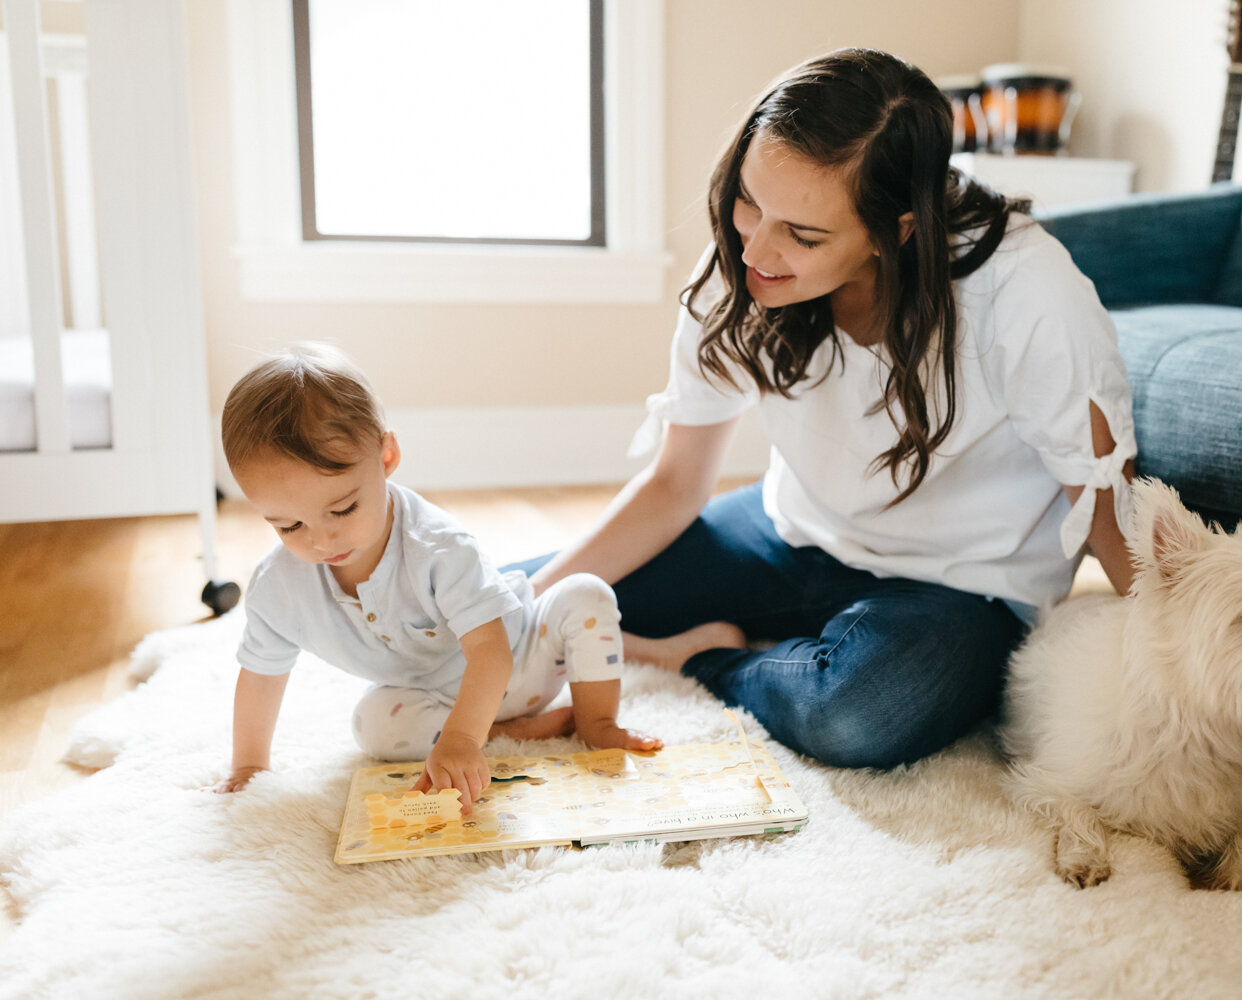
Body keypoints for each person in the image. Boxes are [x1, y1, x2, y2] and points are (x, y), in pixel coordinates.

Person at [518, 47, 1138, 771]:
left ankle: (709, 660)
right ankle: (765, 647)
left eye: (803, 236)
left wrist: (1187, 682)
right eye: (750, 201)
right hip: (788, 535)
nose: (757, 248)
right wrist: (520, 611)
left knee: (857, 714)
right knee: (508, 604)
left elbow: (1106, 516)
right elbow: (676, 483)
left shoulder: (1026, 291)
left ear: (895, 230)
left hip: (960, 591)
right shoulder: (743, 254)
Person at [212, 345, 719, 811]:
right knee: (372, 727)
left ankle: (595, 720)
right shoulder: (278, 588)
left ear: (386, 458)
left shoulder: (437, 547)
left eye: (343, 508)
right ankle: (521, 730)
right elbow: (261, 676)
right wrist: (249, 765)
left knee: (586, 595)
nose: (321, 540)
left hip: (523, 660)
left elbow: (490, 650)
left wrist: (459, 740)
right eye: (289, 525)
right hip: (432, 696)